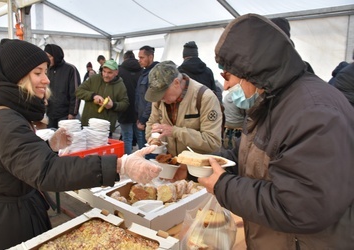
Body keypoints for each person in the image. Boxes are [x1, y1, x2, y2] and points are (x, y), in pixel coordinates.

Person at [0, 38, 161, 250]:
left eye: (45, 71)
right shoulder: (6, 120)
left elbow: (18, 161)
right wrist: (120, 165)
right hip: (6, 226)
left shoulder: (6, 112)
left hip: (12, 213)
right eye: (38, 73)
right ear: (18, 78)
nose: (46, 80)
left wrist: (49, 145)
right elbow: (48, 172)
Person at [196, 14, 354, 249]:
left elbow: (302, 207)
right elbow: (251, 159)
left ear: (252, 70)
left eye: (228, 76)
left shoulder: (313, 112)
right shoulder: (270, 100)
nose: (226, 86)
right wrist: (202, 166)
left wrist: (224, 186)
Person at [145, 60, 223, 159]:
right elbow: (152, 122)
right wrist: (153, 139)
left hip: (199, 166)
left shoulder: (205, 97)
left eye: (162, 93)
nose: (160, 98)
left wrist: (175, 131)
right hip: (172, 162)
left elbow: (213, 142)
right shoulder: (160, 100)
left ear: (176, 83)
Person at [76, 59, 129, 135]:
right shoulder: (94, 79)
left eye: (109, 73)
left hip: (105, 128)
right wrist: (93, 96)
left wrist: (113, 105)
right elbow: (78, 91)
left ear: (116, 72)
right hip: (88, 125)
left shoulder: (120, 85)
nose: (106, 75)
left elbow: (125, 104)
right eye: (104, 71)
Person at [44, 44, 81, 128]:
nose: (47, 60)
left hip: (65, 116)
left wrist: (72, 113)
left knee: (64, 139)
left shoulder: (70, 69)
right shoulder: (47, 70)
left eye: (49, 56)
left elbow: (76, 93)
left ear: (56, 56)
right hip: (50, 114)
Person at [117, 50, 142, 154]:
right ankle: (143, 159)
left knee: (127, 137)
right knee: (140, 137)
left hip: (124, 108)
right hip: (139, 109)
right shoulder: (142, 70)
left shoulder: (120, 71)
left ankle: (128, 160)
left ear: (124, 58)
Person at [135, 45, 159, 149]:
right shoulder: (144, 73)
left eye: (142, 58)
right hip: (141, 119)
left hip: (149, 122)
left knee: (148, 152)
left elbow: (152, 100)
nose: (139, 60)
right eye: (138, 58)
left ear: (150, 57)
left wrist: (143, 119)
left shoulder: (155, 74)